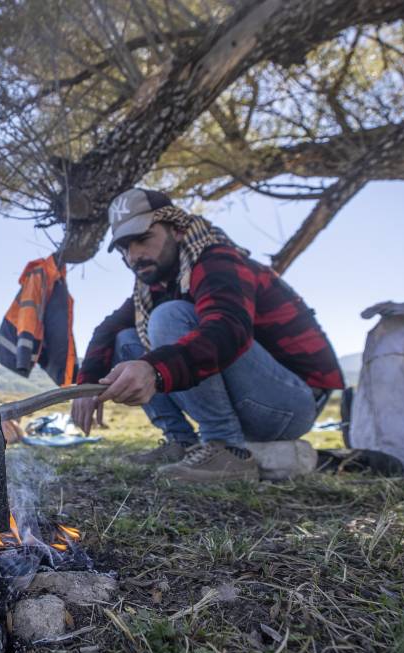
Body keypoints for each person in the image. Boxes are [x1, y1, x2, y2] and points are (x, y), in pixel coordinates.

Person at [70, 188, 344, 483]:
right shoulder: (154, 287)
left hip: (290, 404)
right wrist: (87, 385)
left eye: (143, 239)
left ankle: (226, 448)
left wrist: (154, 370)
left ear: (176, 230)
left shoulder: (217, 261)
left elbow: (228, 330)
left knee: (169, 316)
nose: (134, 255)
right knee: (126, 340)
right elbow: (107, 329)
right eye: (125, 247)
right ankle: (181, 444)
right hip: (254, 398)